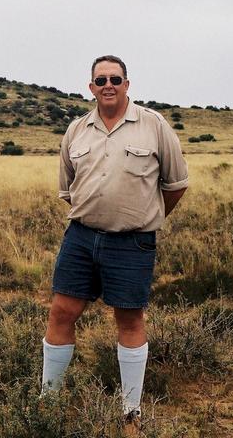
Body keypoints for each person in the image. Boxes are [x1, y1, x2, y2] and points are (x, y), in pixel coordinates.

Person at [41, 55, 188, 429]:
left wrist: (142, 217)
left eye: (115, 79)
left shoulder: (153, 125)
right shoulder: (76, 130)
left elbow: (175, 185)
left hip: (132, 243)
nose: (108, 85)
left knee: (129, 319)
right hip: (81, 238)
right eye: (101, 79)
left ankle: (130, 414)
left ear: (127, 84)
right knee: (61, 312)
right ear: (91, 87)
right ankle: (48, 403)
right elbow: (69, 188)